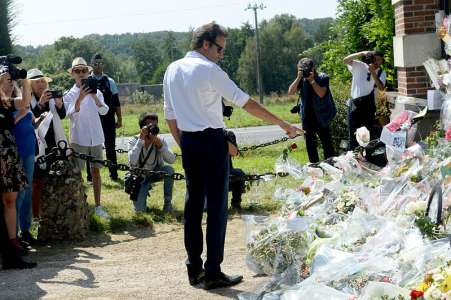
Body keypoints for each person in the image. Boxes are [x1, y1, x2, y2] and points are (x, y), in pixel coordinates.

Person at [163, 22, 301, 290]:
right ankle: (213, 271)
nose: (221, 54)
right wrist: (283, 124)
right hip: (212, 139)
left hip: (188, 139)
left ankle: (194, 269)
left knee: (193, 206)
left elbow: (170, 115)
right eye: (219, 48)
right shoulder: (209, 70)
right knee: (216, 207)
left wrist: (185, 143)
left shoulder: (172, 69)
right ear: (206, 44)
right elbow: (246, 102)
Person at [64, 57, 110, 219]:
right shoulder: (69, 94)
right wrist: (81, 97)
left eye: (84, 70)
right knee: (77, 174)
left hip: (96, 137)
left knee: (96, 172)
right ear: (73, 74)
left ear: (88, 72)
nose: (81, 73)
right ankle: (79, 205)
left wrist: (94, 96)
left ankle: (98, 206)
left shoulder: (96, 91)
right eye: (78, 71)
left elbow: (104, 111)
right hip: (79, 139)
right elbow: (71, 115)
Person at [0, 67, 37, 269]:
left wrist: (24, 80)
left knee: (11, 200)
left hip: (10, 153)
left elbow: (24, 102)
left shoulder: (6, 103)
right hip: (1, 155)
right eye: (6, 80)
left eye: (10, 80)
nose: (9, 83)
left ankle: (12, 249)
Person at [29, 68, 66, 225]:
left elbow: (62, 115)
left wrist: (59, 104)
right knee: (36, 182)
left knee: (54, 179)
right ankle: (35, 216)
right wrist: (40, 103)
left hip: (53, 143)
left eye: (42, 81)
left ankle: (53, 215)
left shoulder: (51, 97)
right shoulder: (26, 99)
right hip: (36, 146)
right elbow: (29, 117)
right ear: (30, 85)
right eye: (37, 82)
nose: (41, 84)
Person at [288, 58, 336, 163]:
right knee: (310, 144)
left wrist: (312, 80)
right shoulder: (301, 79)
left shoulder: (322, 77)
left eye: (305, 69)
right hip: (307, 116)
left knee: (326, 142)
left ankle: (331, 164)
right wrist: (298, 77)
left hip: (322, 115)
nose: (304, 72)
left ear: (313, 68)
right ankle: (315, 165)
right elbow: (290, 92)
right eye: (301, 69)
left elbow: (321, 94)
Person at [128, 112, 176, 213]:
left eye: (155, 125)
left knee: (169, 170)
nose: (153, 128)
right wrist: (141, 140)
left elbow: (172, 160)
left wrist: (161, 146)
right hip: (140, 177)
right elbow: (132, 161)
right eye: (150, 125)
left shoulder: (160, 140)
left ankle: (168, 204)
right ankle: (143, 196)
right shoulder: (134, 140)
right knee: (140, 211)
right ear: (142, 128)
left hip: (155, 173)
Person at [86, 53, 122, 182]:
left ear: (103, 65)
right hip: (92, 120)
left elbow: (116, 102)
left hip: (108, 119)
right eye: (95, 63)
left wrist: (120, 119)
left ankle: (114, 174)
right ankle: (90, 177)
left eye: (100, 63)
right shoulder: (87, 81)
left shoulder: (110, 81)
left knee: (110, 147)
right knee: (90, 148)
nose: (98, 66)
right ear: (91, 65)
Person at [343, 50, 387, 150]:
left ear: (382, 61)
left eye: (379, 60)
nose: (376, 62)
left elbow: (381, 88)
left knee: (368, 133)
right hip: (354, 103)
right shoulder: (360, 65)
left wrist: (373, 73)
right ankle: (354, 157)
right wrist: (361, 53)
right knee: (353, 133)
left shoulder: (381, 72)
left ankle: (368, 157)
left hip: (368, 105)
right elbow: (345, 60)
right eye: (374, 59)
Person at [224, 130, 245, 210]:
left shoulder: (227, 134)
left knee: (239, 174)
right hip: (206, 172)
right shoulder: (199, 134)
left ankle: (236, 204)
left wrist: (220, 137)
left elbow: (234, 152)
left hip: (226, 170)